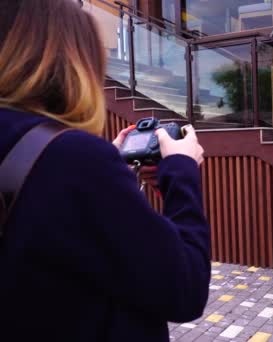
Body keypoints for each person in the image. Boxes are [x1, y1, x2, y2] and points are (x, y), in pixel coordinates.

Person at [0, 1, 210, 341]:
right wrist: (182, 172)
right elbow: (184, 289)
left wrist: (109, 175)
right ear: (74, 62)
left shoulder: (62, 160)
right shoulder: (72, 160)